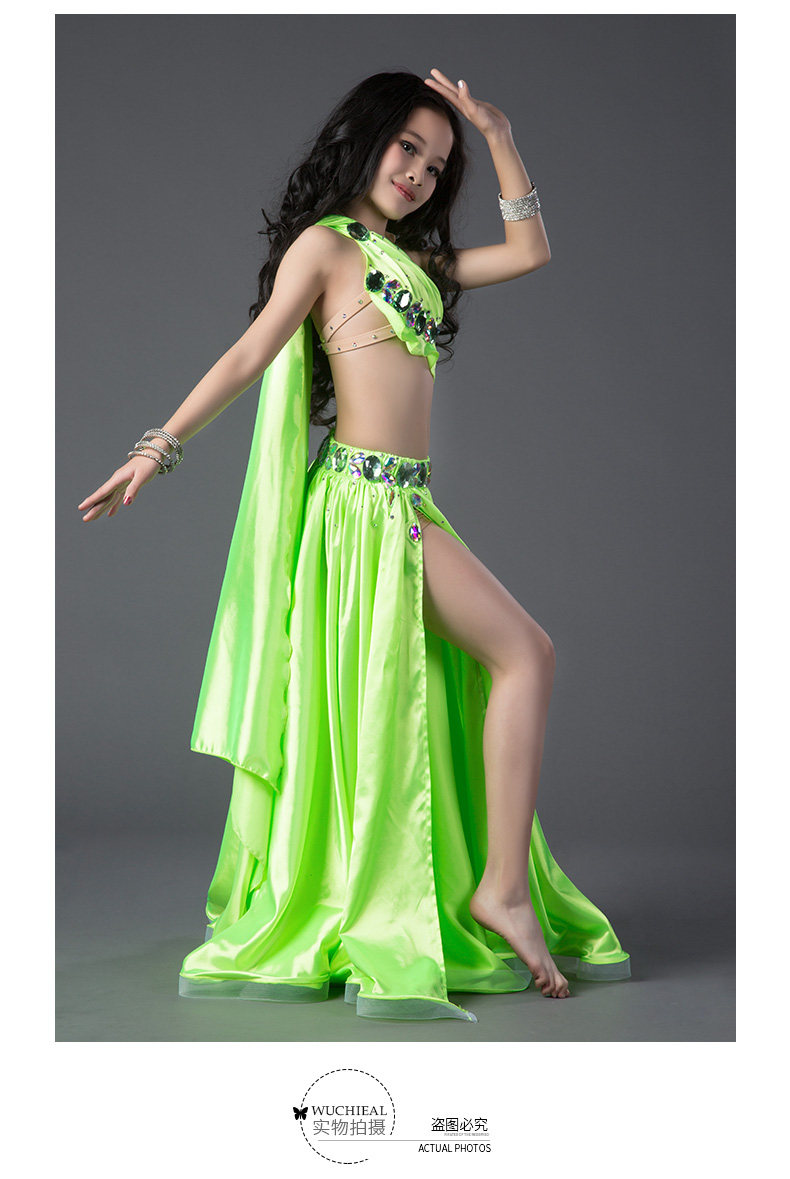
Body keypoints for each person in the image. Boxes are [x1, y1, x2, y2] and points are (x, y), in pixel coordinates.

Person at [77, 68, 631, 1023]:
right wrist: (156, 447)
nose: (419, 172)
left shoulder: (418, 261)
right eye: (407, 147)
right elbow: (251, 352)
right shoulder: (327, 247)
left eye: (437, 163)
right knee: (525, 654)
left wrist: (498, 136)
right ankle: (499, 890)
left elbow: (530, 249)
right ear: (367, 140)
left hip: (407, 503)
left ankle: (490, 884)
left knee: (486, 673)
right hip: (362, 509)